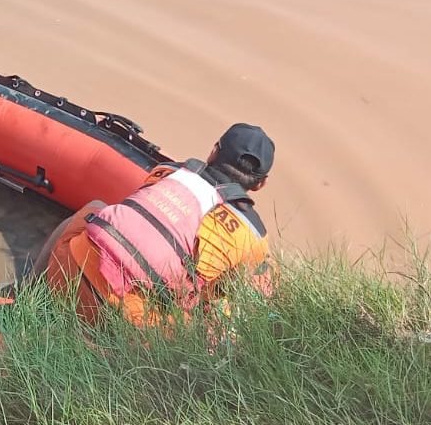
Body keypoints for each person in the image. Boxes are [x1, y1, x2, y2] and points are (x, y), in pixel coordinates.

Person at [33, 123, 277, 326]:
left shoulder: (166, 172)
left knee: (96, 206)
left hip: (66, 273)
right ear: (260, 184)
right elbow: (221, 294)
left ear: (213, 152)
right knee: (212, 304)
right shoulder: (253, 234)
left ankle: (30, 290)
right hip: (126, 322)